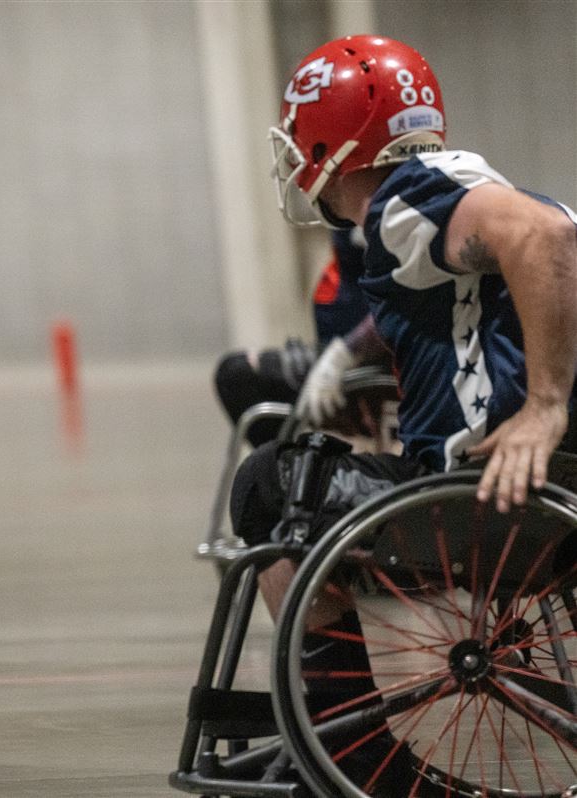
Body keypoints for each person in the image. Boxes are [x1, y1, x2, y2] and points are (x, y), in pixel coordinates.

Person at [232, 34, 576, 792]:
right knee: (305, 479)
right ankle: (333, 736)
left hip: (479, 503)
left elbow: (546, 236)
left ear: (330, 142)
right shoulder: (455, 188)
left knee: (268, 484)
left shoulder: (406, 200)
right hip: (523, 493)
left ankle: (354, 758)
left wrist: (545, 407)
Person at [213, 228, 384, 447]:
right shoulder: (356, 225)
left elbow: (400, 306)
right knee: (235, 374)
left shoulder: (379, 219)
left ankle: (279, 460)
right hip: (336, 353)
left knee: (237, 374)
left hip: (357, 362)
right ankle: (280, 460)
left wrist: (344, 355)